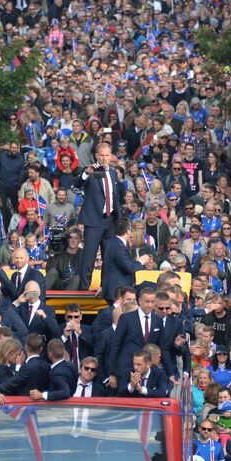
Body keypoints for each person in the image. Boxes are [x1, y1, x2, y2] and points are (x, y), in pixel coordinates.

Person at [73, 143, 121, 289]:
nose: (105, 158)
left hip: (110, 221)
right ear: (96, 155)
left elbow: (115, 196)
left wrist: (118, 218)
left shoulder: (113, 173)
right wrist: (87, 173)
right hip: (94, 222)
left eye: (107, 155)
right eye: (102, 155)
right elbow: (76, 185)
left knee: (108, 258)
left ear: (111, 155)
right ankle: (83, 291)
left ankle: (105, 289)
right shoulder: (90, 171)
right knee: (89, 259)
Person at [108, 288, 163, 388]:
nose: (150, 305)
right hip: (126, 369)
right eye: (147, 301)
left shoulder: (158, 320)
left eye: (152, 302)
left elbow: (162, 346)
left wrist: (171, 373)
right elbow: (116, 345)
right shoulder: (126, 318)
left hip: (148, 371)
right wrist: (112, 373)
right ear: (140, 301)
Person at [101, 218, 150, 303]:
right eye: (131, 230)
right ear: (127, 231)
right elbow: (129, 267)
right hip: (117, 291)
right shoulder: (118, 246)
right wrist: (141, 261)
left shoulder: (113, 242)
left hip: (115, 289)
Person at [0, 142, 25, 232]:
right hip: (2, 185)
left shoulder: (21, 159)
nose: (14, 149)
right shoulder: (2, 156)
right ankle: (4, 228)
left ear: (18, 148)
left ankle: (16, 228)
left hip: (14, 187)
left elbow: (21, 174)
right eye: (12, 147)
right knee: (2, 207)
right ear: (10, 148)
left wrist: (19, 187)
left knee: (16, 208)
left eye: (16, 147)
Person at [60, 304, 94, 370]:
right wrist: (64, 337)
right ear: (65, 316)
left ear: (81, 317)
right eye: (70, 317)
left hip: (85, 370)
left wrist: (80, 332)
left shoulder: (88, 329)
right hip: (66, 369)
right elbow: (54, 349)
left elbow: (95, 346)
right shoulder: (59, 328)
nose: (73, 319)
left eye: (76, 317)